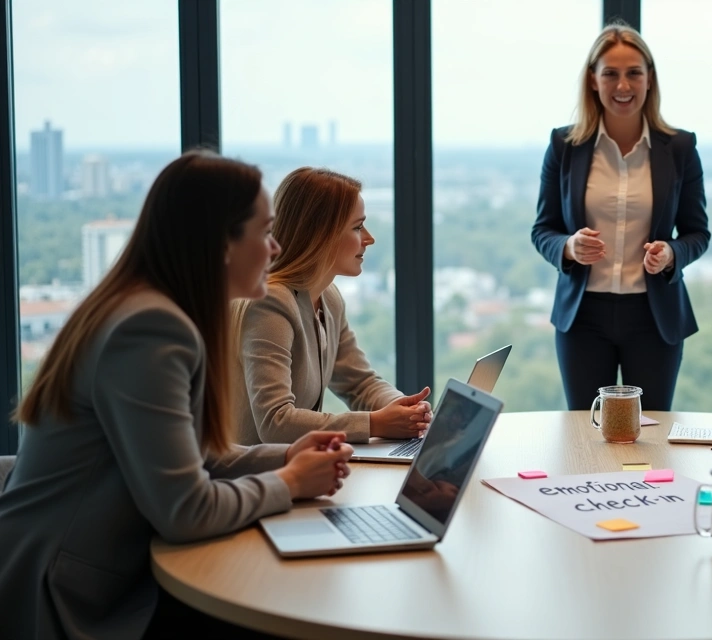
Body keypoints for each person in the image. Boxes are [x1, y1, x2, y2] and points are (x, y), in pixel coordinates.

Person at [0, 150, 354, 640]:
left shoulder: (146, 309)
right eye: (264, 232)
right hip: (68, 594)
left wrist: (284, 457)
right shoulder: (151, 330)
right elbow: (185, 510)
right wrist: (290, 482)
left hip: (89, 569)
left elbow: (194, 460)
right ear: (221, 243)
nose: (275, 249)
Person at [531, 23, 710, 411]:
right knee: (584, 430)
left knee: (652, 432)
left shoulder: (679, 147)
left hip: (654, 315)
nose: (622, 85)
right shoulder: (565, 146)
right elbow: (543, 229)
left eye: (634, 73)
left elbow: (697, 233)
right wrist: (568, 247)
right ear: (593, 81)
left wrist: (672, 254)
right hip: (583, 318)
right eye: (610, 73)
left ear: (649, 80)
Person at [232, 167, 432, 445]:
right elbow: (275, 422)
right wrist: (376, 423)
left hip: (291, 472)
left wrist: (405, 410)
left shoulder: (329, 297)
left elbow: (358, 383)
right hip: (245, 482)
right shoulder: (269, 304)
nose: (369, 238)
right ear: (320, 234)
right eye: (357, 226)